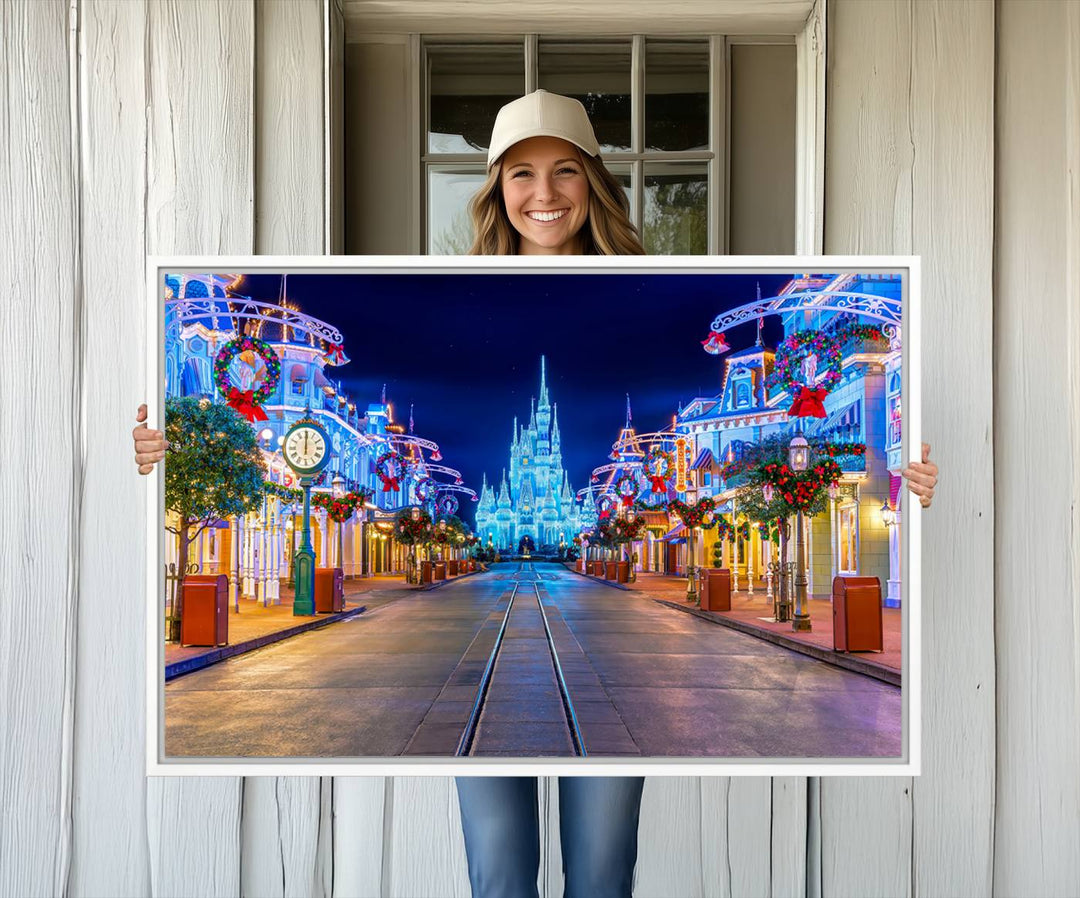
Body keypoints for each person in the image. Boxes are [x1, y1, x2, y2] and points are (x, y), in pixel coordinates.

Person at [132, 89, 939, 898]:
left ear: (593, 181)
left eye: (564, 172)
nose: (544, 193)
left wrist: (914, 472)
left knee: (601, 870)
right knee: (499, 870)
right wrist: (158, 453)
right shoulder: (484, 364)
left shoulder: (641, 283)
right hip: (518, 523)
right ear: (496, 189)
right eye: (521, 173)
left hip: (594, 645)